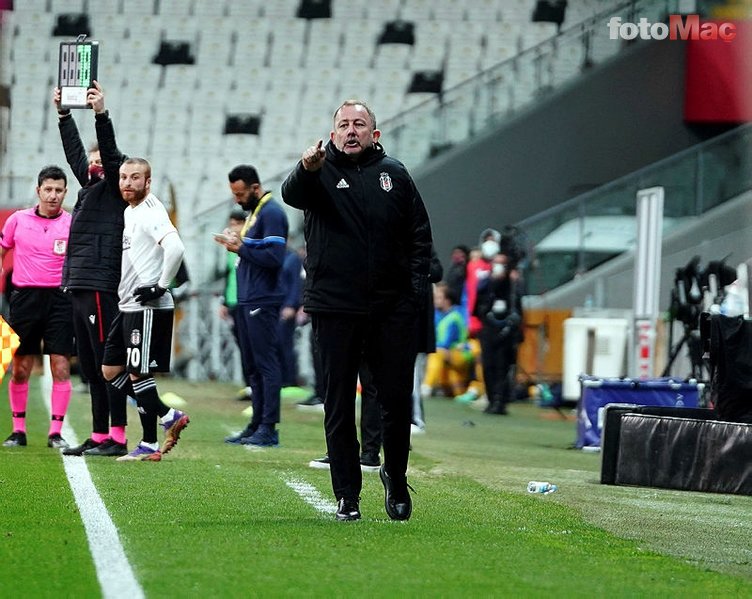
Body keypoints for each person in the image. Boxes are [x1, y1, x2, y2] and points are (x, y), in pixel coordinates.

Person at [282, 99, 432, 522]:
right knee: (338, 402)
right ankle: (347, 493)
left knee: (396, 401)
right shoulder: (317, 173)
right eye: (344, 125)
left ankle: (396, 478)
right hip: (334, 306)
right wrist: (305, 167)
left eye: (359, 124)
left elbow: (420, 236)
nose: (351, 131)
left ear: (374, 134)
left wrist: (414, 294)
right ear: (332, 135)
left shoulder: (396, 175)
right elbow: (292, 195)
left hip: (391, 309)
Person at [54, 81, 130, 457]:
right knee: (89, 365)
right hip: (80, 281)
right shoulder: (89, 187)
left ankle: (117, 435)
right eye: (94, 157)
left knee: (107, 363)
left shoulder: (116, 188)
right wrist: (64, 115)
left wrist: (101, 113)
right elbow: (74, 156)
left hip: (101, 282)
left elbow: (112, 154)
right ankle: (100, 434)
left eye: (101, 158)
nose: (95, 161)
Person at [101, 157, 189, 461]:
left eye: (134, 177)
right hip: (128, 306)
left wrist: (161, 285)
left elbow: (175, 247)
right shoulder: (130, 211)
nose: (127, 182)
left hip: (147, 307)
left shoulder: (151, 210)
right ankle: (167, 415)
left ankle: (150, 441)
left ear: (147, 182)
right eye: (124, 177)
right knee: (112, 370)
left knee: (139, 374)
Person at [1, 165, 73, 449]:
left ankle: (55, 432)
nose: (53, 195)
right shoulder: (18, 220)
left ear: (65, 192)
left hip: (60, 300)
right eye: (48, 190)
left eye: (58, 190)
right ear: (38, 191)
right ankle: (18, 430)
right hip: (24, 299)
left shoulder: (72, 222)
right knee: (21, 368)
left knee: (61, 365)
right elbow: (3, 247)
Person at [218, 165, 288, 447]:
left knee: (265, 364)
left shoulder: (272, 213)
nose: (237, 199)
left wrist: (241, 248)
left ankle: (269, 427)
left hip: (263, 298)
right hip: (249, 298)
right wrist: (239, 242)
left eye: (240, 193)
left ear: (255, 188)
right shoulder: (255, 214)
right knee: (252, 365)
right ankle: (257, 423)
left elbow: (274, 255)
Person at [474, 252, 524, 415]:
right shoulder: (487, 284)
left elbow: (517, 310)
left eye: (502, 264)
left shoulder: (512, 286)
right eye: (496, 263)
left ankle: (499, 401)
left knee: (501, 367)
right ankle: (490, 399)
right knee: (488, 366)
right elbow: (479, 306)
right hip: (488, 330)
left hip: (505, 333)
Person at [218, 208, 253, 401]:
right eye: (231, 224)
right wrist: (224, 301)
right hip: (233, 301)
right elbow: (228, 275)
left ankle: (254, 385)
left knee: (250, 345)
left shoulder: (246, 246)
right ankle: (248, 384)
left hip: (247, 300)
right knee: (242, 345)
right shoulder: (231, 250)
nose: (233, 228)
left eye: (237, 224)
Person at [422, 282, 473, 398]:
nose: (435, 301)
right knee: (454, 390)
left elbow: (446, 343)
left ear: (447, 300)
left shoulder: (454, 317)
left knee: (436, 353)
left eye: (439, 298)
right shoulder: (440, 315)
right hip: (450, 355)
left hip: (461, 354)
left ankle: (427, 386)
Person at [278, 237, 304, 388]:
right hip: (276, 306)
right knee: (275, 344)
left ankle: (290, 380)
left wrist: (291, 305)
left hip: (287, 307)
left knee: (285, 343)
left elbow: (296, 284)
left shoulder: (293, 258)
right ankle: (281, 379)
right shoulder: (276, 257)